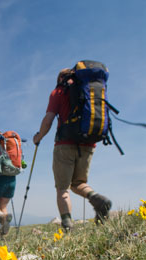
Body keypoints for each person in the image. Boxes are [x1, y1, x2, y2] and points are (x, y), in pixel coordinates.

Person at [33, 68, 112, 230]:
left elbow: (48, 119)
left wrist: (39, 137)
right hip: (89, 143)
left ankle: (68, 224)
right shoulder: (90, 91)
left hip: (65, 144)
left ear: (60, 78)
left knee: (63, 188)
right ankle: (97, 199)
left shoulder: (58, 92)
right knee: (79, 183)